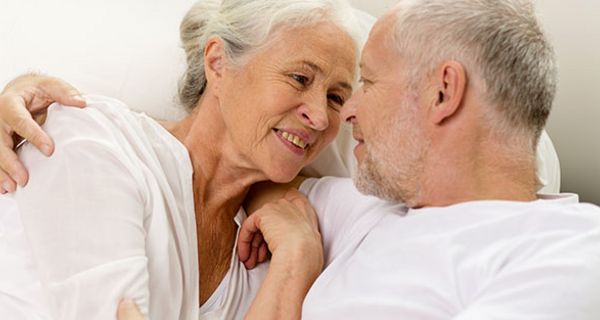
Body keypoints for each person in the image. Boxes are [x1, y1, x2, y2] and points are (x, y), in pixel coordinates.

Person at [232, 0, 600, 319]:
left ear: (442, 93)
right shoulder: (369, 210)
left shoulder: (574, 249)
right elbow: (266, 183)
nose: (346, 113)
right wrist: (296, 251)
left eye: (370, 82)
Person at [0, 0, 362, 319]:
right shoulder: (94, 138)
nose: (319, 116)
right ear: (218, 63)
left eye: (335, 98)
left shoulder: (265, 253)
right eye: (299, 78)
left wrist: (296, 259)